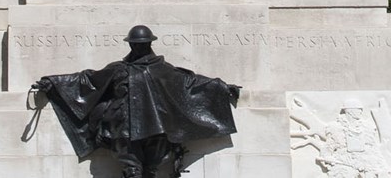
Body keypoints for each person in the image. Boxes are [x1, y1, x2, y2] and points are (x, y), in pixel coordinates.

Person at [34, 25, 241, 178]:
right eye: (136, 44)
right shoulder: (119, 68)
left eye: (143, 44)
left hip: (156, 126)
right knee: (132, 170)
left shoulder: (161, 68)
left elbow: (189, 82)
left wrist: (221, 88)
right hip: (124, 126)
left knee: (153, 167)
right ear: (131, 44)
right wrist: (53, 83)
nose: (139, 47)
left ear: (149, 44)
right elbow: (88, 80)